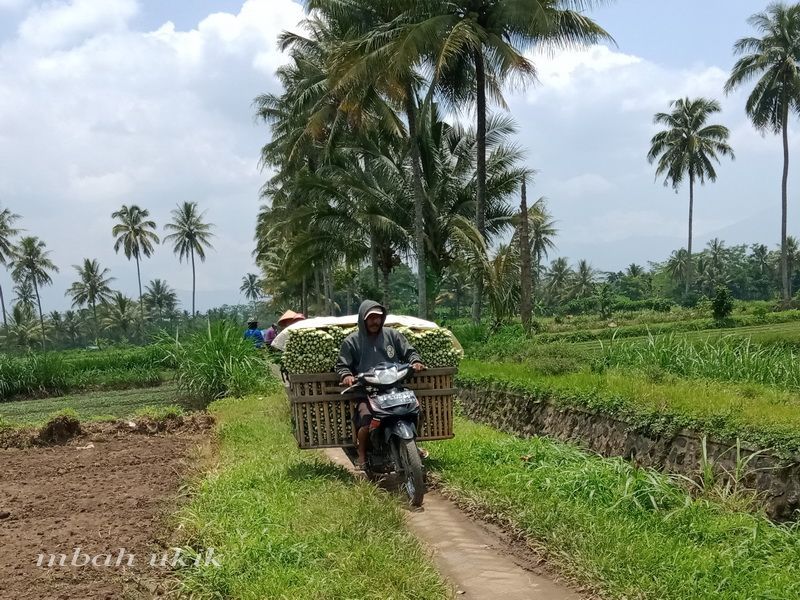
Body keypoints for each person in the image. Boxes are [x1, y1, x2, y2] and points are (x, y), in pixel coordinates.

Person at [335, 300, 425, 469]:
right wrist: (347, 375)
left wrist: (415, 362)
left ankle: (412, 445)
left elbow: (409, 352)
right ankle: (361, 456)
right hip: (367, 391)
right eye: (371, 318)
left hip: (393, 388)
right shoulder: (352, 341)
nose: (375, 321)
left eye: (378, 318)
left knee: (415, 409)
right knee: (367, 419)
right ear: (363, 319)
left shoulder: (393, 335)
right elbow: (342, 365)